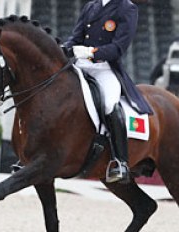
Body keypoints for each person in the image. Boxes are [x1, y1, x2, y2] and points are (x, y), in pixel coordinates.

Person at [64, 0, 152, 183]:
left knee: (110, 105)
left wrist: (90, 52)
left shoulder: (127, 8)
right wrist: (65, 47)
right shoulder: (91, 5)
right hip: (81, 65)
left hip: (105, 68)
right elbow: (76, 37)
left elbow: (118, 48)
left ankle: (120, 162)